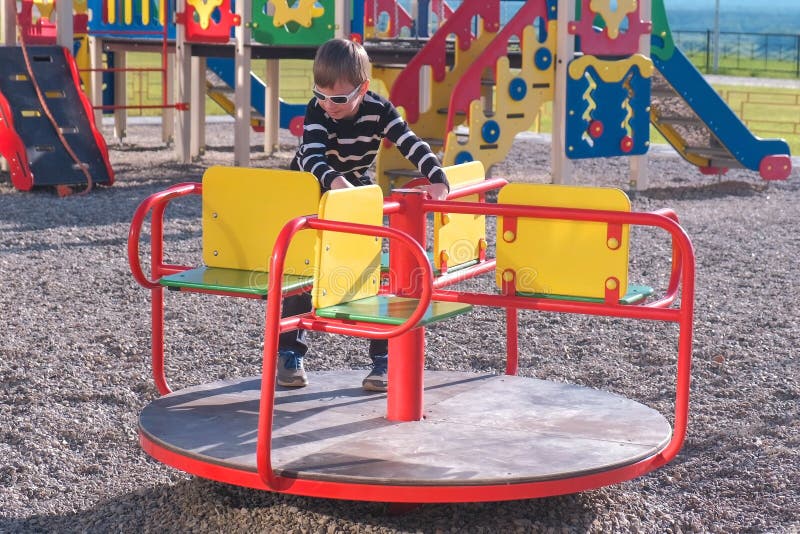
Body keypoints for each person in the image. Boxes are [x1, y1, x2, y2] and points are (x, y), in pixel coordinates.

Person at [278, 37, 450, 392]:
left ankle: (383, 360)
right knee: (301, 273)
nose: (329, 105)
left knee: (374, 273)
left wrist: (436, 176)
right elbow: (311, 156)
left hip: (354, 190)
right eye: (321, 94)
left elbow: (409, 141)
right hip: (311, 190)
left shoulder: (380, 110)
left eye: (339, 98)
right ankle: (289, 352)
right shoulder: (318, 111)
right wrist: (337, 184)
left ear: (363, 89)